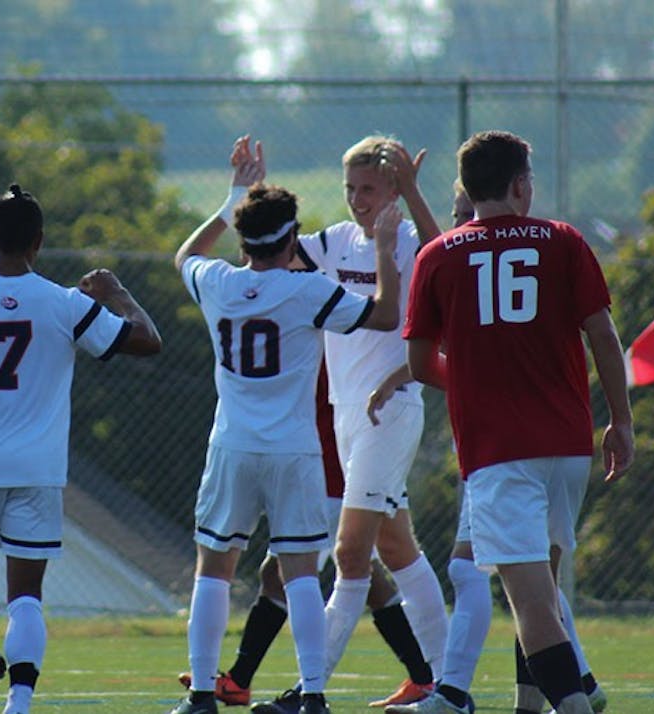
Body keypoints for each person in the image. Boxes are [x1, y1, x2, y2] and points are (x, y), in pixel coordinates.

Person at [397, 130, 634, 714]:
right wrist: (621, 421)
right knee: (543, 593)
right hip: (568, 446)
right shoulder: (563, 241)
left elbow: (420, 361)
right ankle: (532, 706)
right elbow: (603, 334)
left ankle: (574, 707)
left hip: (499, 449)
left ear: (468, 189)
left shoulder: (439, 254)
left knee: (529, 603)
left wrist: (478, 380)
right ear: (521, 185)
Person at [168, 135, 404, 714]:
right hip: (293, 450)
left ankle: (202, 694)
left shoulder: (218, 284)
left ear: (246, 238)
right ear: (292, 239)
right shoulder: (308, 290)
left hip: (231, 446)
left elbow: (184, 256)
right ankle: (314, 695)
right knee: (300, 573)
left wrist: (232, 198)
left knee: (214, 569)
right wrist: (385, 249)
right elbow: (388, 315)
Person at [0, 183, 161, 714]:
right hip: (39, 469)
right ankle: (19, 706)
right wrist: (117, 293)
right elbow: (146, 342)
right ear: (39, 243)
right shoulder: (66, 303)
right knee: (26, 597)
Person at [252, 135, 449, 714]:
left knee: (350, 552)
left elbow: (448, 255)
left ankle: (309, 690)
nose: (358, 200)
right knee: (400, 548)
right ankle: (446, 681)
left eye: (369, 188)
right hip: (346, 418)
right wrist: (256, 191)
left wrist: (412, 198)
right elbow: (272, 255)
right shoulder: (334, 241)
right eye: (350, 189)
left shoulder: (411, 242)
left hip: (391, 412)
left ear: (391, 187)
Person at [175, 360, 436, 708]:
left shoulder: (318, 348)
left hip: (329, 477)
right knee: (354, 573)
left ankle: (421, 677)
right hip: (332, 472)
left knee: (316, 572)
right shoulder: (323, 342)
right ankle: (422, 676)